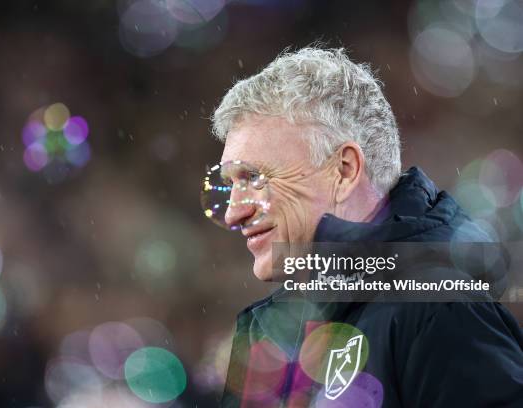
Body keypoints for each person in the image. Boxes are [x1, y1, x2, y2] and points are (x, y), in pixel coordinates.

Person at [209, 46, 523, 407]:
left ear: (344, 170)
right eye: (230, 184)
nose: (233, 213)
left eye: (254, 177)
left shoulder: (440, 311)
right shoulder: (264, 334)